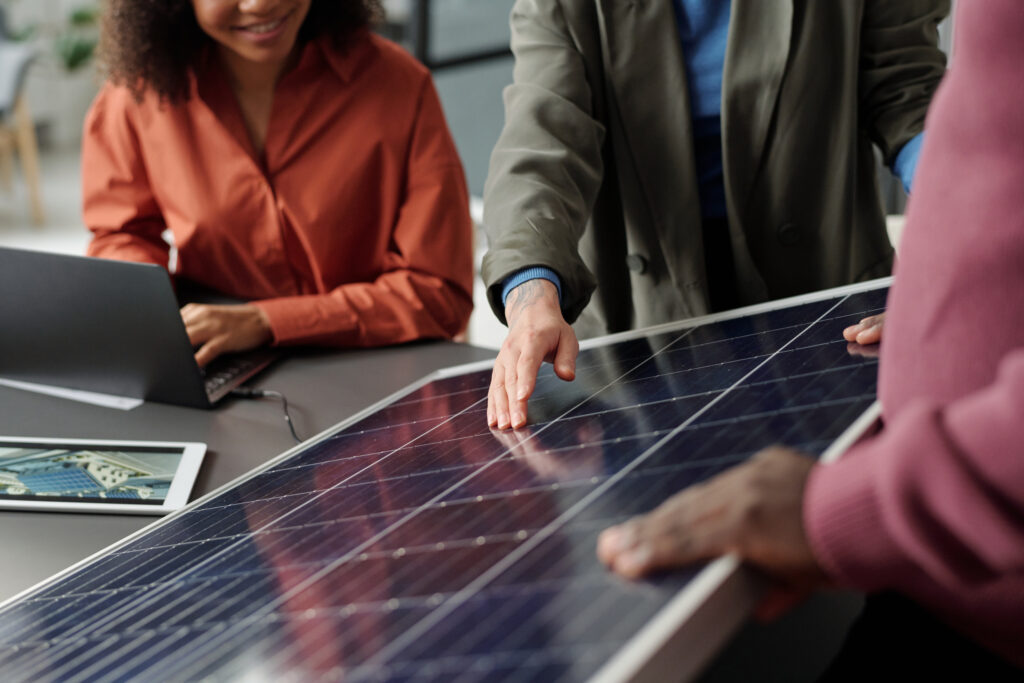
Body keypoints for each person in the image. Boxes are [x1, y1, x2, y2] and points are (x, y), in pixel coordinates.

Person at [597, 0, 1024, 673]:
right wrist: (933, 308)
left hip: (974, 574)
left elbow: (909, 90)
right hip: (950, 571)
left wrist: (856, 507)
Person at [482, 0, 949, 429]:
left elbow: (908, 97)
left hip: (829, 299)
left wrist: (965, 238)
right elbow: (543, 142)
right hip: (643, 329)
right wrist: (532, 293)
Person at [83, 0, 473, 367]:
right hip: (217, 361)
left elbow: (440, 293)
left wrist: (267, 321)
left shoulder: (399, 87)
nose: (259, 4)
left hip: (372, 363)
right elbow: (122, 235)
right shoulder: (136, 93)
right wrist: (154, 320)